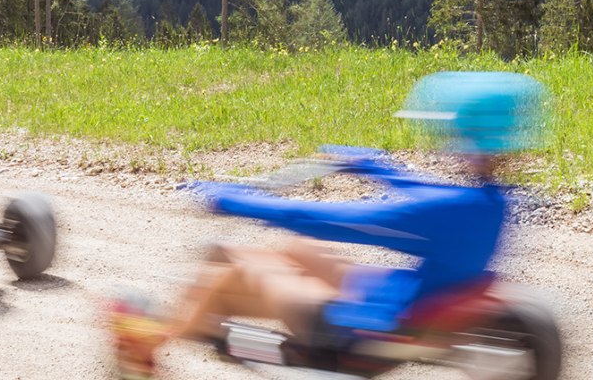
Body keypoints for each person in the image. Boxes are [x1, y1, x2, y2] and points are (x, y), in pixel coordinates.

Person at [106, 71, 546, 379]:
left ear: (465, 135)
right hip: (397, 303)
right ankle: (190, 322)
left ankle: (156, 339)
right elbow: (426, 198)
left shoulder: (451, 210)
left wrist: (234, 199)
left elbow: (330, 221)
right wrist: (376, 166)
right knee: (296, 252)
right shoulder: (493, 202)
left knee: (232, 264)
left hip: (358, 337)